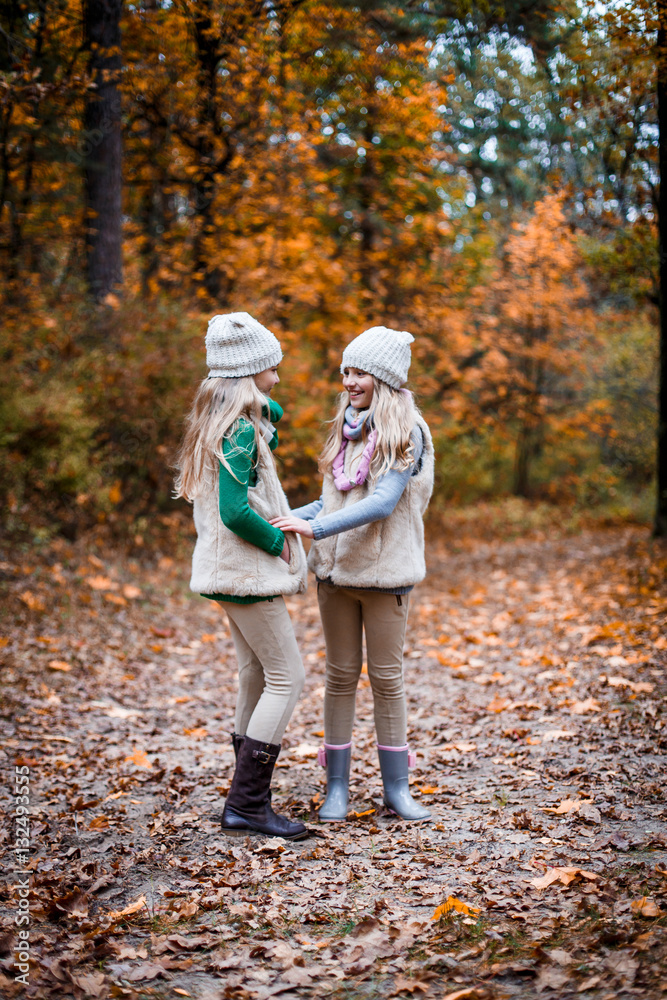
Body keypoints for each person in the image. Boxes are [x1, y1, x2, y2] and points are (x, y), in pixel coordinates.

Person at [270, 326, 434, 823]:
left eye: (359, 372)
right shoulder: (346, 428)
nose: (348, 381)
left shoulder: (408, 431)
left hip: (385, 580)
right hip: (336, 579)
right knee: (340, 677)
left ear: (382, 378)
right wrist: (280, 519)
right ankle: (336, 787)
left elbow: (382, 503)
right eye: (345, 371)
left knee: (386, 679)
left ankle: (397, 790)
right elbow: (333, 499)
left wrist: (312, 527)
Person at [174, 312, 309, 840]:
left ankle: (244, 797)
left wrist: (263, 405)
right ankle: (248, 803)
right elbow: (235, 510)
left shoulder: (226, 421)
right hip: (247, 572)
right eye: (271, 366)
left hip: (224, 571)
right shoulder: (238, 432)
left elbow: (266, 435)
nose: (278, 373)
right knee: (287, 677)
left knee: (254, 672)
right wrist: (278, 543)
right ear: (251, 370)